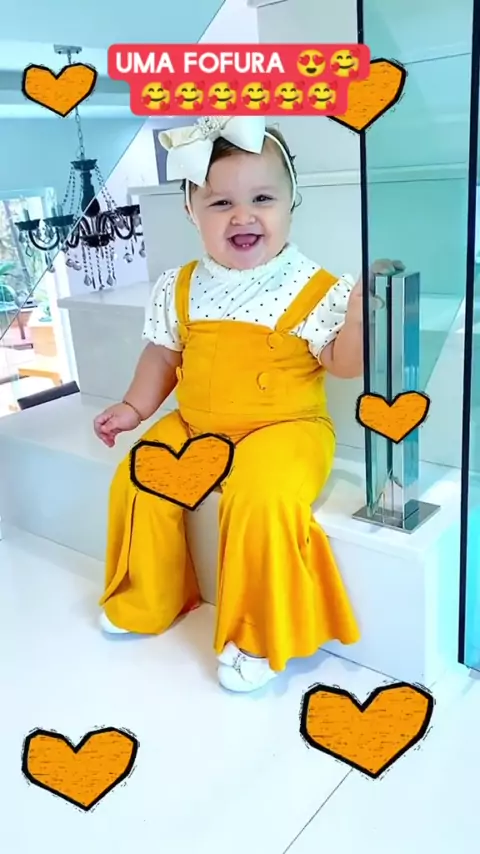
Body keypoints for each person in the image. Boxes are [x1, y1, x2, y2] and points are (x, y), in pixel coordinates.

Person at [93, 115, 401, 693]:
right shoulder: (181, 285)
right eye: (220, 203)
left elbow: (341, 363)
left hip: (287, 428)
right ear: (192, 211)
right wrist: (134, 408)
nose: (242, 216)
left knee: (261, 499)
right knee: (140, 475)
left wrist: (359, 320)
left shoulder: (312, 287)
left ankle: (256, 632)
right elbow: (162, 356)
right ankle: (148, 596)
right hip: (196, 424)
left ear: (290, 204)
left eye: (262, 198)